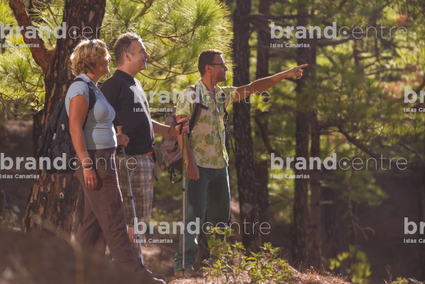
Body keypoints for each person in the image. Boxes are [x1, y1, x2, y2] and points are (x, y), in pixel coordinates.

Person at [174, 49, 307, 277]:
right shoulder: (190, 95)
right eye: (222, 65)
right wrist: (189, 162)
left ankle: (217, 266)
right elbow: (180, 131)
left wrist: (283, 75)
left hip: (220, 166)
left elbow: (254, 87)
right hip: (198, 165)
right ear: (208, 68)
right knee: (193, 217)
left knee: (220, 220)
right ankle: (183, 267)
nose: (226, 69)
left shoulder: (222, 94)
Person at [66, 39, 164, 284]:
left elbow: (96, 125)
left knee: (93, 224)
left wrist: (115, 137)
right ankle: (135, 276)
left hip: (105, 156)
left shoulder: (93, 86)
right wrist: (87, 165)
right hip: (96, 161)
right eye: (105, 56)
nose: (110, 58)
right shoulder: (80, 88)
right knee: (115, 220)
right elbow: (75, 129)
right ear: (94, 60)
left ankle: (73, 274)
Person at [101, 33, 189, 258]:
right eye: (142, 51)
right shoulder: (113, 85)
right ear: (127, 55)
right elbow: (97, 120)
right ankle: (128, 274)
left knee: (139, 221)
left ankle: (133, 271)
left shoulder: (135, 84)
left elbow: (144, 121)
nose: (147, 55)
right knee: (131, 221)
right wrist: (114, 137)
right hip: (128, 161)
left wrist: (172, 131)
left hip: (145, 160)